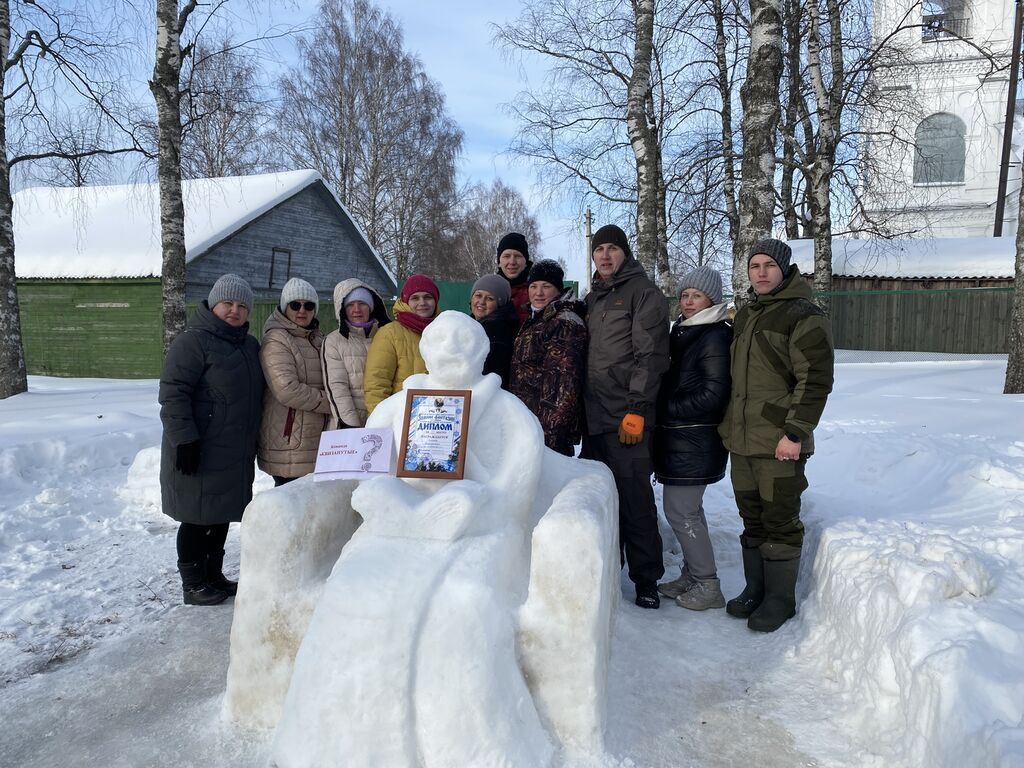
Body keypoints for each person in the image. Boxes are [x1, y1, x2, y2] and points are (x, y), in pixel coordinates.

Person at [720, 238, 834, 633]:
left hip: (781, 441)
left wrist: (796, 432)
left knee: (780, 520)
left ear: (784, 269)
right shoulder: (747, 314)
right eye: (755, 266)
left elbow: (815, 379)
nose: (762, 272)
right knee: (752, 519)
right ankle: (756, 588)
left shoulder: (803, 314)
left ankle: (780, 599)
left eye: (770, 265)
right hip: (743, 441)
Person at [159, 273, 264, 606]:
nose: (234, 311)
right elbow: (173, 394)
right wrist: (184, 440)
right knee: (195, 517)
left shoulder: (248, 345)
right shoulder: (192, 341)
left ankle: (213, 575)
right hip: (199, 447)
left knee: (219, 515)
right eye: (227, 304)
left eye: (241, 306)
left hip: (232, 449)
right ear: (213, 304)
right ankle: (192, 584)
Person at [581, 225, 669, 609]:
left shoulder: (643, 293)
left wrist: (636, 410)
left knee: (634, 500)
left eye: (611, 249)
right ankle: (607, 571)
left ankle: (647, 579)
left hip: (626, 418)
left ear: (625, 254)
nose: (604, 255)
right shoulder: (594, 298)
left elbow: (649, 356)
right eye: (598, 249)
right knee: (600, 499)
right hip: (595, 418)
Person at [653, 265, 732, 611]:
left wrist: (664, 407)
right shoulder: (687, 332)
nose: (687, 301)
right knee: (690, 511)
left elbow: (713, 394)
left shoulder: (713, 335)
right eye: (684, 295)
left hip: (695, 438)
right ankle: (693, 573)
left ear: (711, 299)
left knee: (680, 511)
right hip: (684, 439)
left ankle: (708, 584)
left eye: (695, 295)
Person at [258, 277, 332, 486]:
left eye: (308, 306)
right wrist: (334, 403)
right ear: (284, 307)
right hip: (290, 441)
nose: (302, 310)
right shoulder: (277, 339)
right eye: (295, 305)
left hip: (315, 440)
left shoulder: (318, 338)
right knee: (289, 511)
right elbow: (287, 390)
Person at [510, 259, 587, 456]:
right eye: (533, 286)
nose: (538, 292)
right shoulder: (536, 320)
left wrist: (548, 437)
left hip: (548, 435)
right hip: (528, 426)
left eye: (546, 286)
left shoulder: (564, 323)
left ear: (558, 290)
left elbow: (563, 387)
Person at [364, 274, 440, 414]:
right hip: (401, 420)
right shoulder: (389, 334)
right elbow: (377, 385)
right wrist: (382, 424)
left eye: (428, 297)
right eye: (415, 298)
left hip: (439, 419)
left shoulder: (444, 329)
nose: (422, 302)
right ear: (405, 301)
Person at [321, 279, 391, 428]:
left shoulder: (386, 336)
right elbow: (338, 387)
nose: (357, 309)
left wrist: (384, 421)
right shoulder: (334, 341)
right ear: (342, 309)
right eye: (350, 305)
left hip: (383, 422)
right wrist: (351, 428)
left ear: (371, 307)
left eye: (362, 304)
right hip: (349, 425)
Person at [469, 273, 520, 388]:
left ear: (500, 304)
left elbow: (492, 375)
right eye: (478, 295)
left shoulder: (498, 330)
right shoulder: (471, 323)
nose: (481, 302)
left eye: (490, 298)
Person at [496, 232, 533, 322]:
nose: (512, 262)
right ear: (499, 262)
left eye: (517, 256)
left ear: (526, 261)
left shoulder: (536, 292)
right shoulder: (488, 290)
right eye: (506, 256)